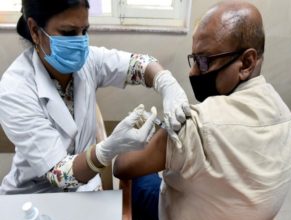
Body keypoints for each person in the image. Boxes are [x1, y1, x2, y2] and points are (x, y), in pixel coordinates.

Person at [113, 1, 291, 220]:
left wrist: (139, 135)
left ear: (246, 62)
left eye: (203, 61)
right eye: (194, 60)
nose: (193, 72)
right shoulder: (285, 114)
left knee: (142, 178)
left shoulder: (197, 126)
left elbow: (122, 167)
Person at [0, 0, 191, 194]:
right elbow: (59, 172)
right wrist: (108, 149)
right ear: (34, 30)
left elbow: (139, 64)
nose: (80, 41)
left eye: (85, 31)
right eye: (68, 32)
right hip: (35, 195)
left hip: (85, 189)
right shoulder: (15, 90)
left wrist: (165, 82)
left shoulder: (89, 61)